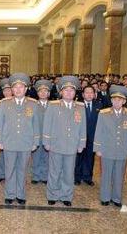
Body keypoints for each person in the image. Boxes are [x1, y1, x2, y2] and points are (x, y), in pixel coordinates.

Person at [0, 73, 40, 205]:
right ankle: (9, 193)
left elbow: (36, 124)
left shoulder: (32, 104)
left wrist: (35, 142)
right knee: (9, 169)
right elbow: (0, 124)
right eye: (15, 87)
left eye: (21, 87)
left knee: (22, 169)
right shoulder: (4, 103)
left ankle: (20, 194)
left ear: (26, 89)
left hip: (26, 143)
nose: (18, 89)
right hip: (9, 142)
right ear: (12, 89)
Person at [43, 76, 87, 207]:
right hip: (56, 144)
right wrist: (46, 142)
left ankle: (66, 195)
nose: (69, 93)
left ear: (75, 92)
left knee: (68, 173)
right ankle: (52, 195)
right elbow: (47, 125)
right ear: (61, 92)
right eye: (66, 90)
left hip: (72, 145)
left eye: (72, 90)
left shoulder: (80, 107)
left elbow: (83, 127)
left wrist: (81, 144)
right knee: (54, 172)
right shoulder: (53, 105)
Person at [94, 85, 127, 207]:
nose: (117, 102)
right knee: (106, 174)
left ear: (124, 101)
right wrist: (97, 148)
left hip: (122, 150)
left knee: (119, 175)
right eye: (114, 99)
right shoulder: (104, 113)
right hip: (107, 150)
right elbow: (99, 132)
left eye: (120, 100)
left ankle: (117, 198)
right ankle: (105, 197)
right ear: (111, 100)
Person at [74, 86, 102, 186]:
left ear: (94, 94)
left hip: (93, 137)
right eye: (87, 92)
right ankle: (77, 177)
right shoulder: (77, 106)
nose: (89, 94)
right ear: (83, 94)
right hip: (79, 137)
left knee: (90, 158)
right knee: (78, 157)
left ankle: (87, 177)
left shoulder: (99, 105)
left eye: (91, 92)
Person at [31, 79, 52, 184]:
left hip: (49, 136)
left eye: (45, 91)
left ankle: (44, 176)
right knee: (36, 156)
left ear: (48, 93)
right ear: (37, 93)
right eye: (40, 91)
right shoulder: (33, 105)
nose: (43, 93)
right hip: (36, 135)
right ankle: (35, 175)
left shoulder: (53, 106)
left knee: (46, 156)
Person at [0, 78, 12, 183]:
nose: (7, 92)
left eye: (9, 90)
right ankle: (1, 173)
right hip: (2, 134)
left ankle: (11, 175)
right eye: (5, 91)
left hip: (12, 135)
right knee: (1, 156)